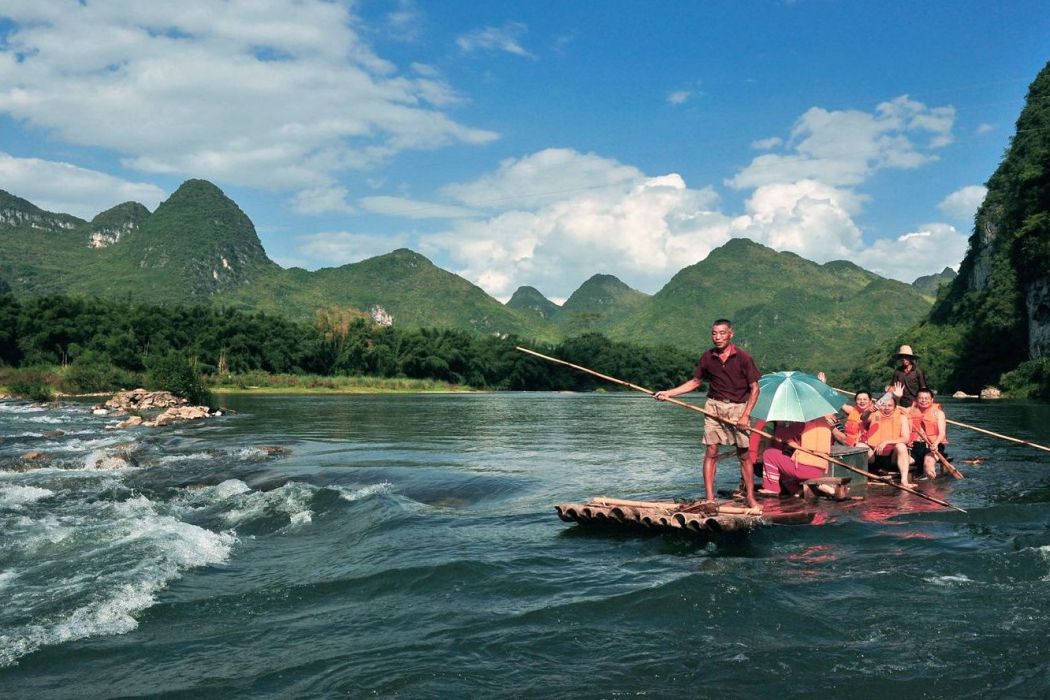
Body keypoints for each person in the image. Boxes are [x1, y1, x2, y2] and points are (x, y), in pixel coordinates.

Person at [654, 319, 761, 510]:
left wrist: (746, 415)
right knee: (711, 451)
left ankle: (751, 497)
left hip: (738, 408)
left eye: (722, 333)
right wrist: (668, 393)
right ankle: (710, 499)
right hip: (713, 407)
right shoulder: (707, 357)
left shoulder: (744, 358)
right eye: (714, 333)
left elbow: (755, 388)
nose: (717, 337)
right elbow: (695, 382)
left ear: (730, 334)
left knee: (744, 455)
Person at [760, 416, 834, 496]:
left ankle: (772, 488)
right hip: (820, 469)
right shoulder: (825, 423)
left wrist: (780, 425)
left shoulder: (803, 424)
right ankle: (797, 490)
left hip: (806, 468)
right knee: (785, 459)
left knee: (769, 454)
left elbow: (781, 435)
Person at [864, 394, 914, 486]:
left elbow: (906, 439)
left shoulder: (902, 418)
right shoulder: (874, 415)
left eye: (890, 405)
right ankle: (860, 478)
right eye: (883, 405)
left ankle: (904, 480)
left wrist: (886, 442)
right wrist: (868, 411)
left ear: (895, 407)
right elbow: (863, 418)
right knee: (860, 446)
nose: (886, 408)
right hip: (874, 455)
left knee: (901, 446)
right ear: (879, 406)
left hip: (892, 457)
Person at [908, 387, 948, 479]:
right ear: (916, 400)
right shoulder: (909, 411)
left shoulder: (939, 413)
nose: (923, 400)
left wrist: (936, 444)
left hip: (933, 446)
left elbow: (942, 434)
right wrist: (896, 397)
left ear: (932, 400)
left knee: (928, 463)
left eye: (926, 398)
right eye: (921, 398)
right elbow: (890, 408)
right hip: (914, 446)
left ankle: (931, 489)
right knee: (902, 461)